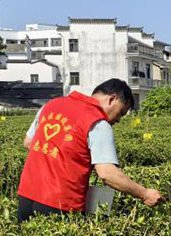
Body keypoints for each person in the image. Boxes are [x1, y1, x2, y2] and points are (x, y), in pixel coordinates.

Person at [17, 78, 162, 223]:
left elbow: (29, 142)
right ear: (112, 99)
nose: (118, 120)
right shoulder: (98, 123)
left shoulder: (50, 105)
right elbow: (107, 174)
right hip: (61, 203)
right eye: (121, 113)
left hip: (26, 196)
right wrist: (144, 193)